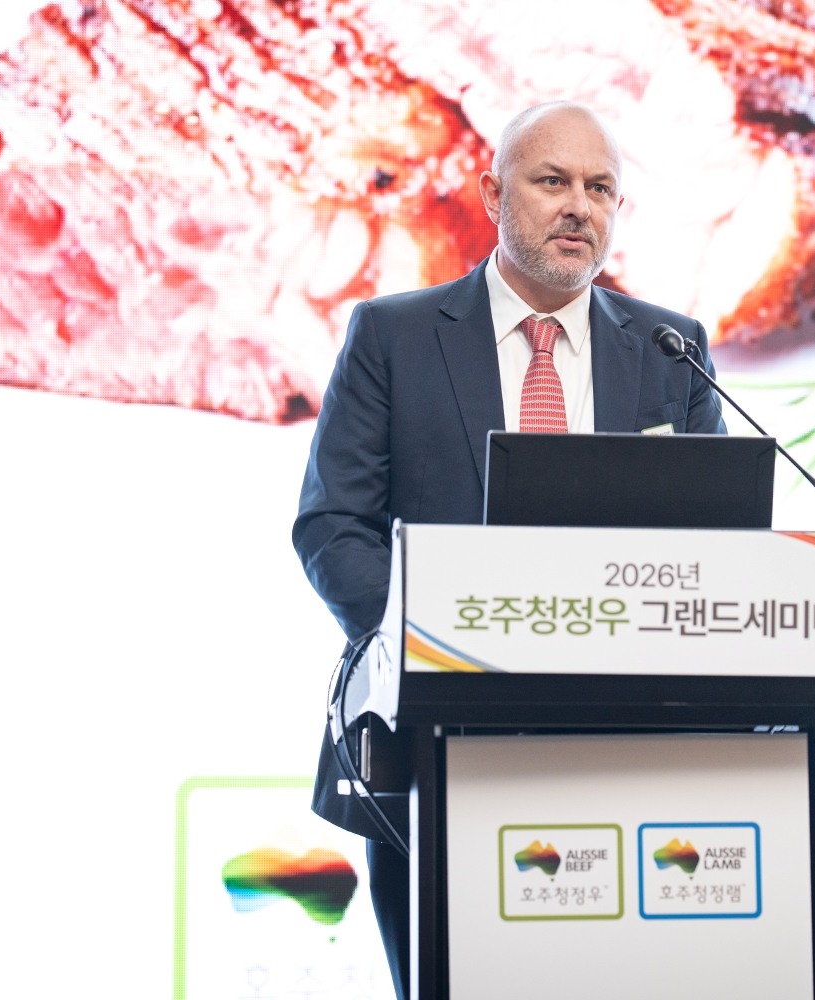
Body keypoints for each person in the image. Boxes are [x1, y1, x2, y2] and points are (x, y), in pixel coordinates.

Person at [291, 101, 727, 997]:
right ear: (493, 194)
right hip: (430, 749)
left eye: (600, 188)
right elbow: (334, 527)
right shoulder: (393, 336)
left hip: (625, 758)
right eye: (552, 181)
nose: (578, 206)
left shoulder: (670, 351)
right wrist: (443, 647)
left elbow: (718, 545)